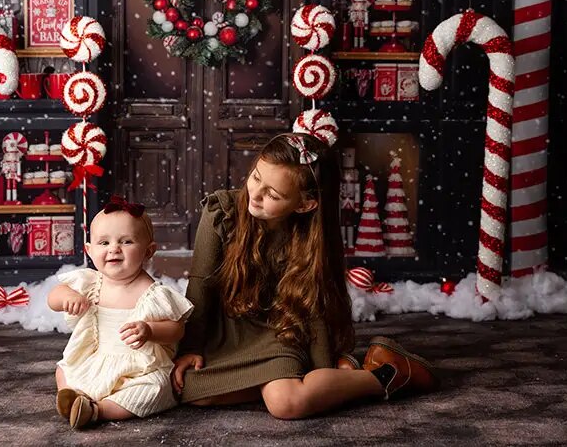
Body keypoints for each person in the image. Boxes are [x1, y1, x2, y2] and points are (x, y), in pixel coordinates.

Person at [171, 133, 438, 419]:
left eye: (273, 194)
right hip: (227, 332)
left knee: (287, 404)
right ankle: (299, 381)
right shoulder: (220, 212)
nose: (256, 194)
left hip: (280, 331)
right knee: (188, 390)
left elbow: (312, 308)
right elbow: (200, 284)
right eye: (256, 177)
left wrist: (323, 365)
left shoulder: (308, 239)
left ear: (304, 204)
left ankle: (387, 374)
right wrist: (191, 347)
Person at [47, 195, 194, 429]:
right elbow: (53, 297)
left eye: (126, 242)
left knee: (155, 389)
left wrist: (150, 330)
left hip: (138, 368)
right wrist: (68, 297)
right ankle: (71, 396)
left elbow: (177, 329)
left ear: (148, 251)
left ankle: (97, 411)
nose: (114, 248)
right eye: (104, 243)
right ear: (89, 250)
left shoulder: (152, 293)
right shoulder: (91, 283)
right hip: (95, 358)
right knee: (64, 368)